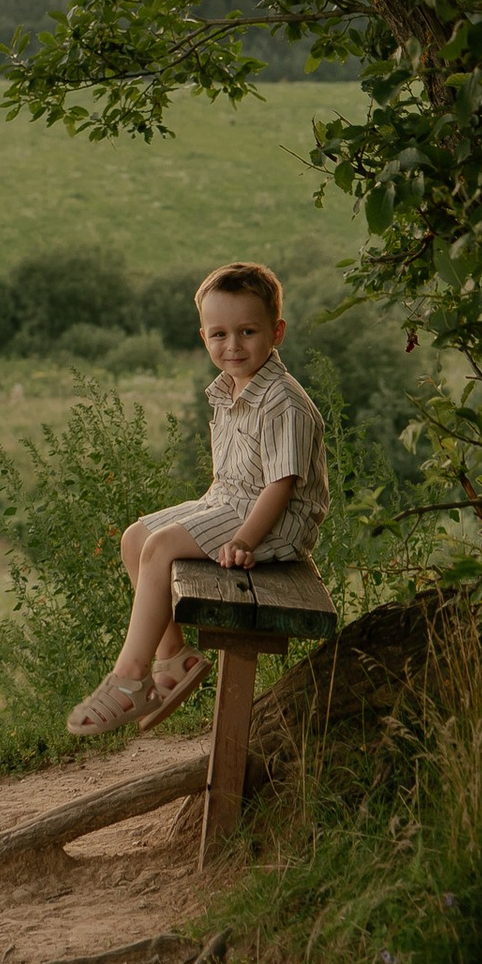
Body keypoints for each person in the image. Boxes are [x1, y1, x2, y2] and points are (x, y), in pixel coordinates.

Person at [65, 259, 327, 739]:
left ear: (277, 332)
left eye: (247, 331)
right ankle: (172, 661)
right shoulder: (230, 390)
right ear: (203, 336)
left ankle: (128, 679)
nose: (233, 346)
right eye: (219, 334)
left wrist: (246, 540)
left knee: (162, 547)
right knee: (136, 537)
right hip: (230, 501)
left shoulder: (282, 400)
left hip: (274, 522)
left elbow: (281, 485)